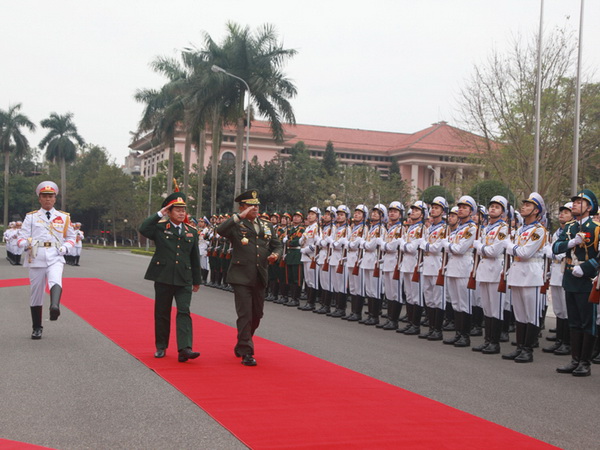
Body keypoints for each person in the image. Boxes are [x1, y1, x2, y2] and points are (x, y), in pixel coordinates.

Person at [216, 189, 282, 366]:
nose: (255, 208)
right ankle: (247, 351)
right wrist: (239, 216)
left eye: (257, 205)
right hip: (241, 275)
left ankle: (242, 342)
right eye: (251, 205)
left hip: (260, 274)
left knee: (257, 314)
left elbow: (278, 245)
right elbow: (220, 230)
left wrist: (276, 254)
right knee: (245, 314)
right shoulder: (236, 224)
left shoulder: (267, 225)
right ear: (242, 207)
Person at [139, 192, 202, 363]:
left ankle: (185, 348)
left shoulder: (191, 231)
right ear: (170, 211)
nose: (182, 213)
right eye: (178, 210)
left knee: (184, 311)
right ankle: (161, 346)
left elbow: (195, 257)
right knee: (162, 313)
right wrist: (160, 213)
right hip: (163, 277)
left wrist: (197, 280)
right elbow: (143, 228)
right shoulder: (160, 228)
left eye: (184, 210)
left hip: (184, 278)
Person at [16, 181, 76, 340]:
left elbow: (71, 238)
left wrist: (66, 248)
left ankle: (54, 306)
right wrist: (26, 244)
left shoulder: (63, 217)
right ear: (39, 199)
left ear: (55, 198)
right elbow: (21, 238)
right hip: (36, 256)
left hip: (55, 254)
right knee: (36, 293)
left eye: (51, 196)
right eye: (44, 196)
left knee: (56, 279)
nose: (48, 199)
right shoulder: (32, 217)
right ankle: (37, 327)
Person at [553, 189, 600, 376]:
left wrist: (588, 267)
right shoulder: (570, 227)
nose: (574, 205)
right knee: (573, 320)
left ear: (589, 207)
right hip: (570, 277)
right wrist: (571, 243)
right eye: (574, 202)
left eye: (580, 202)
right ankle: (574, 359)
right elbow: (556, 247)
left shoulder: (596, 228)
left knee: (587, 321)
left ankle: (585, 362)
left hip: (586, 279)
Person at [502, 192, 547, 363]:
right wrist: (513, 247)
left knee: (531, 314)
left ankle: (528, 350)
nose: (524, 207)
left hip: (530, 274)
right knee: (520, 314)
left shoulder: (538, 231)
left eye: (528, 205)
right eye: (524, 204)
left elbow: (525, 252)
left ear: (536, 211)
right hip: (517, 272)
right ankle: (520, 347)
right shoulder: (520, 229)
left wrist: (509, 246)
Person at [472, 196, 510, 354]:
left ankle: (495, 342)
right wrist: (482, 248)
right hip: (484, 269)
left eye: (497, 207)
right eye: (491, 206)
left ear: (503, 211)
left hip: (495, 269)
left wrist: (480, 247)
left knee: (496, 308)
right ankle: (487, 340)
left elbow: (494, 251)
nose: (493, 209)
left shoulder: (504, 228)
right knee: (486, 307)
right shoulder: (486, 228)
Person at [542, 202, 572, 356]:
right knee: (559, 309)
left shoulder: (571, 231)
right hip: (555, 271)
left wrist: (552, 253)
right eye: (561, 212)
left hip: (565, 270)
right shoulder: (557, 232)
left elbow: (564, 252)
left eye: (566, 212)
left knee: (566, 309)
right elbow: (549, 249)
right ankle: (560, 340)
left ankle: (567, 342)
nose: (562, 214)